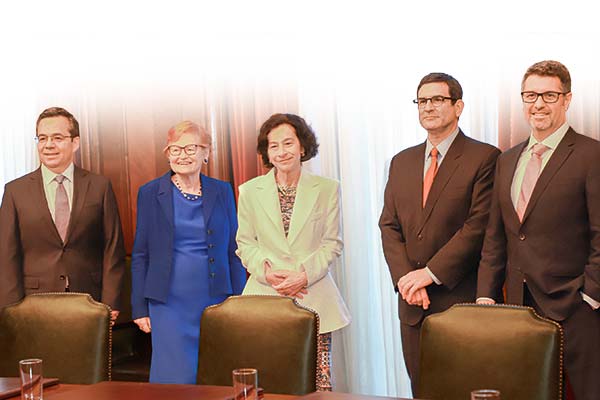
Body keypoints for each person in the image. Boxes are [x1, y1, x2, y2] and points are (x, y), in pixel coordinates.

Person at [477, 60, 600, 400]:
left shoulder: (592, 155)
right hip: (519, 305)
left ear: (567, 99)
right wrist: (486, 294)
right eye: (531, 95)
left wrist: (590, 294)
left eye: (549, 95)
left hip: (577, 306)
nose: (538, 104)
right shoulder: (507, 159)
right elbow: (496, 235)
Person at [379, 73, 500, 394]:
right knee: (423, 390)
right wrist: (408, 278)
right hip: (412, 303)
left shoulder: (485, 157)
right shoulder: (401, 161)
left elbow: (478, 226)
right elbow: (388, 225)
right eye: (422, 101)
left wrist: (429, 274)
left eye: (437, 100)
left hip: (458, 297)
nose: (428, 107)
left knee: (464, 389)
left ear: (458, 106)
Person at [236, 113, 351, 391]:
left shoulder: (327, 189)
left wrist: (303, 275)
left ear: (302, 147)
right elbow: (245, 244)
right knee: (269, 381)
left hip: (314, 297)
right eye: (273, 146)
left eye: (288, 143)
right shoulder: (249, 190)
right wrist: (268, 273)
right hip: (264, 297)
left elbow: (332, 243)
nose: (281, 151)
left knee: (318, 383)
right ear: (266, 152)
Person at [131, 120, 246, 384]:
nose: (183, 155)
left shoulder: (223, 190)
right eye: (175, 149)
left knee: (217, 375)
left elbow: (233, 249)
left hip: (217, 298)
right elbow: (140, 255)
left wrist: (239, 301)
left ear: (206, 153)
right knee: (175, 378)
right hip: (168, 303)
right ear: (167, 154)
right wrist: (139, 307)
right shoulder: (150, 193)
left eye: (191, 148)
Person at [0, 107, 125, 322]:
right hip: (32, 303)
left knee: (87, 357)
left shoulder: (99, 186)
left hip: (90, 301)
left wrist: (110, 302)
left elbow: (112, 248)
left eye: (57, 138)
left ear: (75, 143)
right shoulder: (15, 191)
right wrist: (10, 309)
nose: (48, 145)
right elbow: (6, 254)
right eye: (42, 138)